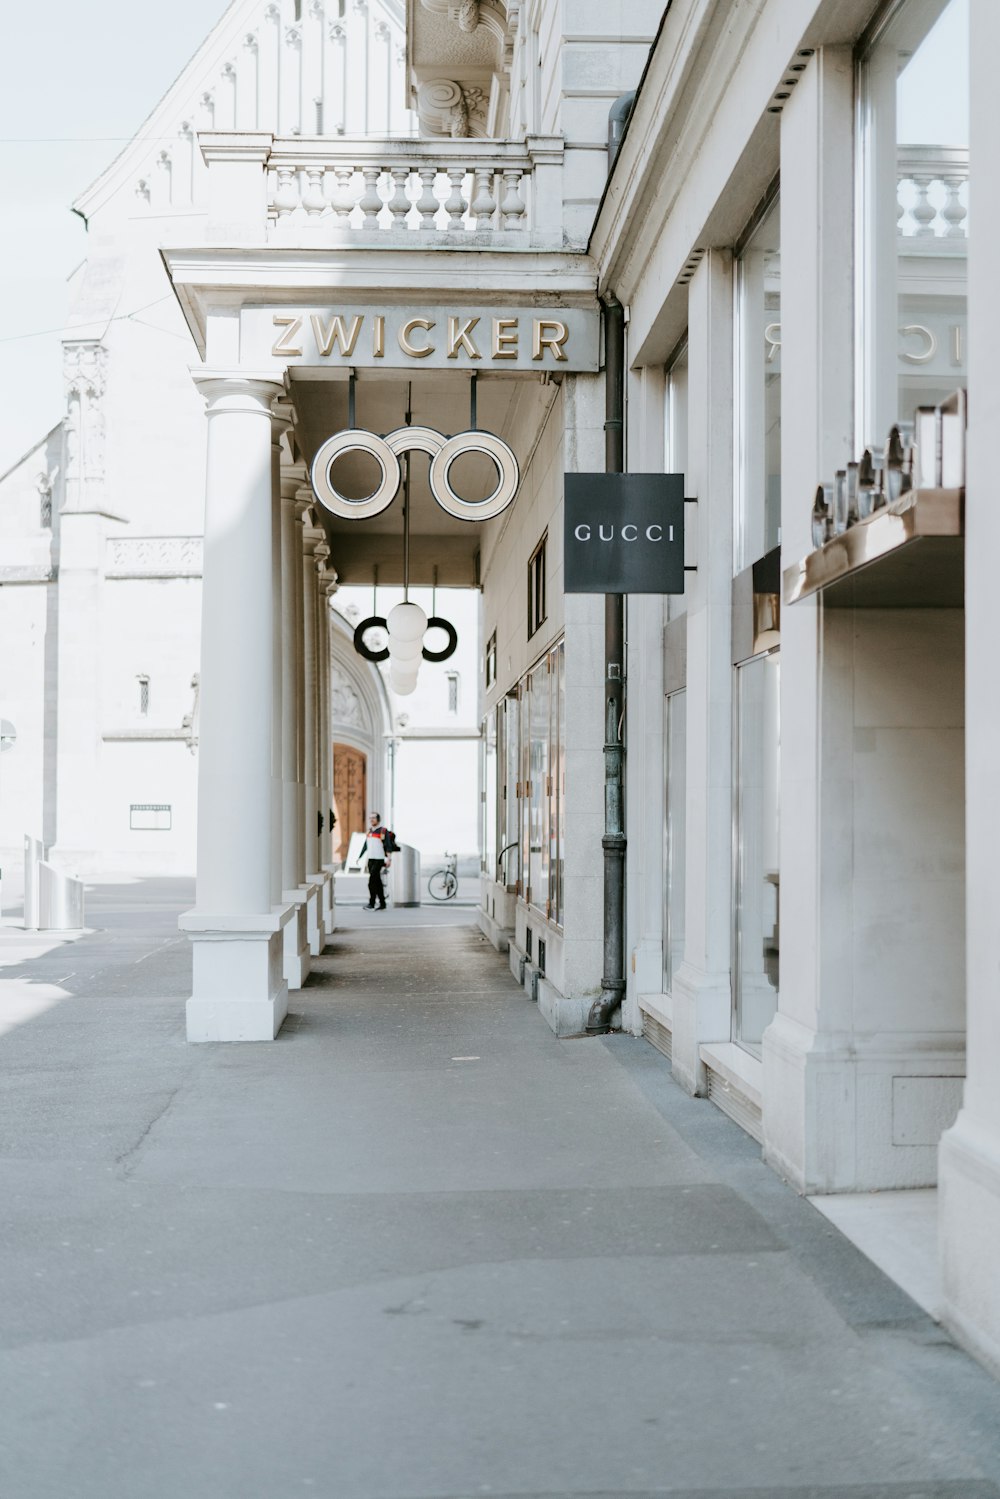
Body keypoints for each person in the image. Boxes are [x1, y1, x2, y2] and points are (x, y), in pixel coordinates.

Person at [360, 812, 395, 910]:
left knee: (371, 882)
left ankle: (371, 903)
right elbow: (365, 845)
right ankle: (382, 903)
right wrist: (360, 856)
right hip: (370, 859)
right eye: (370, 818)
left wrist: (389, 859)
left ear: (378, 819)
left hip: (379, 859)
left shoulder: (383, 831)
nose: (371, 820)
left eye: (374, 818)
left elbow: (388, 845)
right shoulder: (369, 832)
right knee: (378, 882)